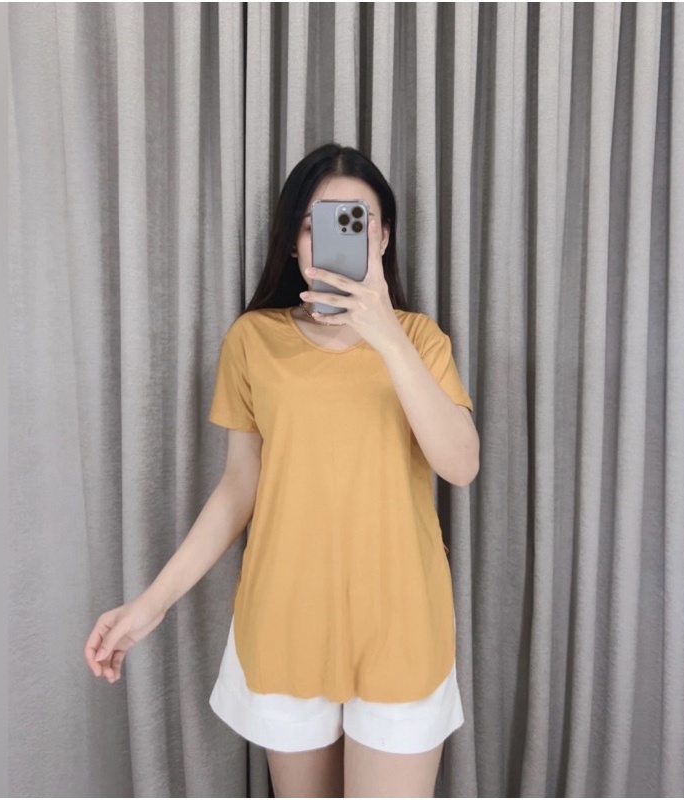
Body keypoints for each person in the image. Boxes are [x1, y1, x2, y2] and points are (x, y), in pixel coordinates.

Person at [84, 143, 480, 797]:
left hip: (402, 621)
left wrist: (386, 335)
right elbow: (239, 489)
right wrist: (150, 605)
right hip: (285, 616)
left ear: (382, 237)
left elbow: (460, 465)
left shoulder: (420, 339)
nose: (333, 240)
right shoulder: (253, 340)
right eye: (313, 224)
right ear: (293, 240)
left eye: (356, 221)